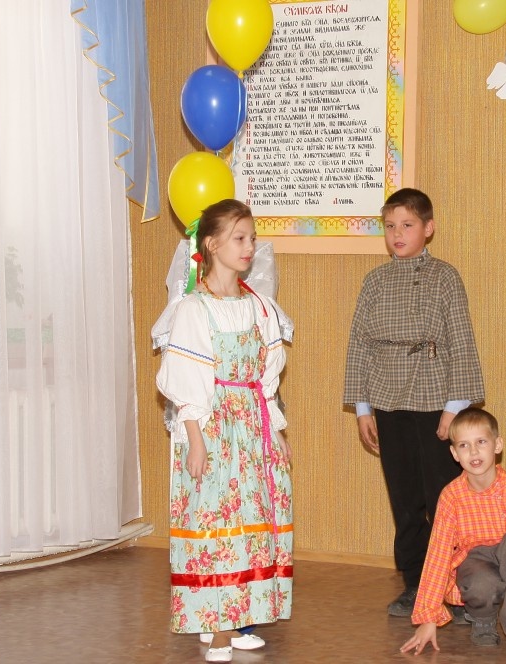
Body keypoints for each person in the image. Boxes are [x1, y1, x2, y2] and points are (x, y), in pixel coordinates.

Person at [156, 199, 293, 663]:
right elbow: (187, 383)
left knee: (249, 525)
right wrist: (195, 441)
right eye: (239, 238)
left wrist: (275, 432)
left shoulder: (260, 307)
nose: (249, 247)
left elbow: (266, 379)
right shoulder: (194, 310)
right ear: (212, 245)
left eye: (252, 238)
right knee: (215, 522)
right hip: (215, 428)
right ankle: (215, 628)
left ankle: (236, 617)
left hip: (252, 428)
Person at [343, 187, 485, 618]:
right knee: (405, 500)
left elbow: (461, 340)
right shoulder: (374, 281)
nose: (398, 234)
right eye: (390, 226)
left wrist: (454, 407)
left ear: (429, 228)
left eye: (407, 225)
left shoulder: (445, 277)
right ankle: (415, 583)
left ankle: (456, 587)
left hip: (435, 399)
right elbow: (359, 345)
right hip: (388, 400)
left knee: (443, 498)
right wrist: (363, 408)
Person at [399, 408, 506, 663]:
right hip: (477, 566)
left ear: (497, 445)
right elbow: (438, 557)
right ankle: (482, 618)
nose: (473, 452)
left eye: (481, 442)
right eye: (464, 445)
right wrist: (428, 618)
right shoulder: (451, 497)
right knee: (478, 577)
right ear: (454, 454)